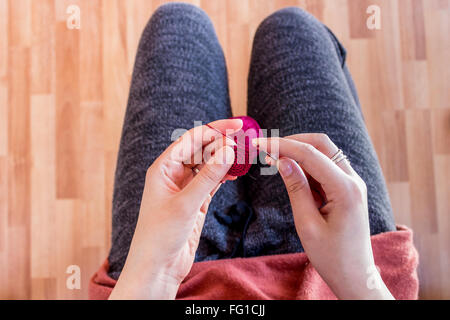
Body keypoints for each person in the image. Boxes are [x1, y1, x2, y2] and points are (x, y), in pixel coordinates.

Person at [89, 3, 419, 300]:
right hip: (335, 272)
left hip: (171, 282)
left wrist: (152, 274)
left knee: (176, 22)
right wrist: (360, 280)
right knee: (292, 27)